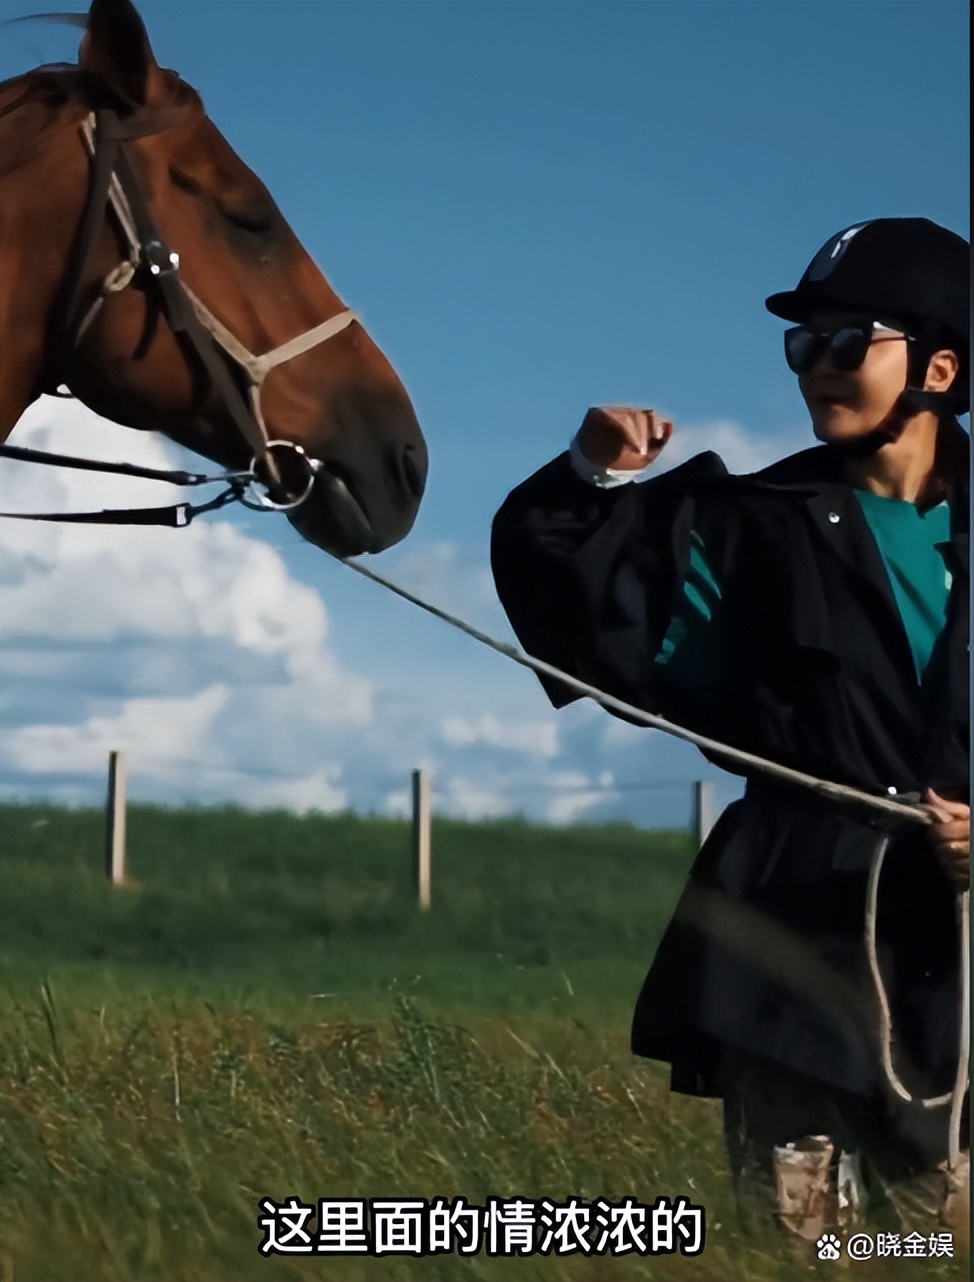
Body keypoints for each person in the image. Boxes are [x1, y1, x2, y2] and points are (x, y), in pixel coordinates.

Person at [490, 218, 970, 1242]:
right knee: (798, 1249)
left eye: (847, 341)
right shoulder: (747, 522)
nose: (816, 365)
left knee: (935, 1248)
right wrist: (590, 475)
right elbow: (589, 603)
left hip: (957, 963)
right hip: (789, 939)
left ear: (939, 366)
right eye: (802, 343)